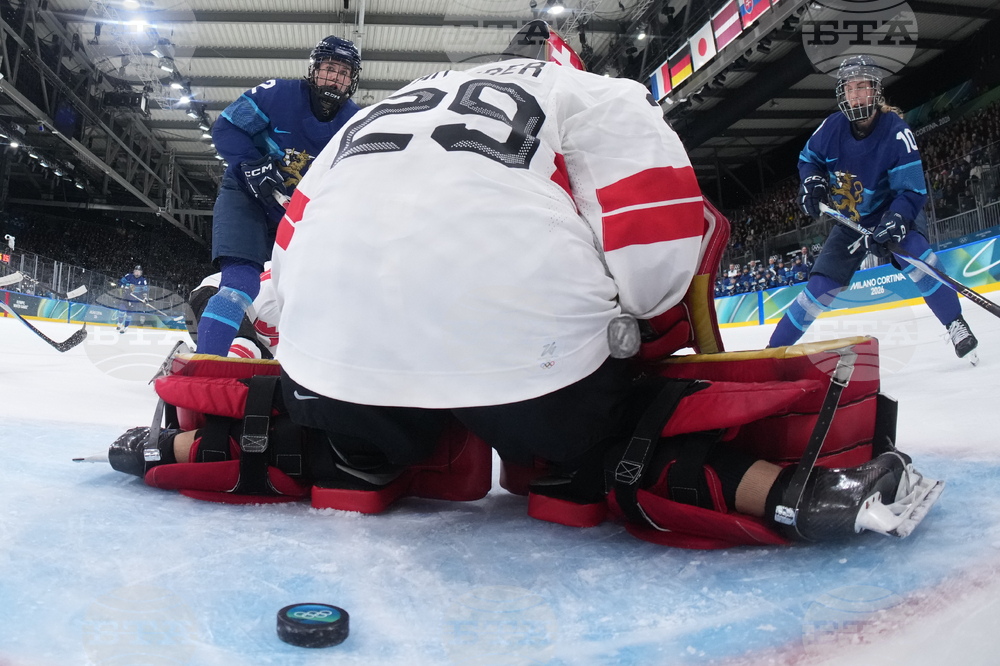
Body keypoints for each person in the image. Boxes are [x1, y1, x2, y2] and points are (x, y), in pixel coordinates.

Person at [105, 23, 940, 547]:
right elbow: (658, 258)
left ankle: (264, 452)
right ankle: (704, 477)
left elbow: (282, 296)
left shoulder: (373, 112)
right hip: (530, 373)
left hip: (338, 373)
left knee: (345, 415)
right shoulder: (600, 94)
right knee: (593, 418)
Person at [770, 55, 979, 363]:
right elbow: (808, 159)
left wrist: (895, 221)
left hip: (892, 210)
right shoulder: (831, 128)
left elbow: (911, 191)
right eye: (850, 88)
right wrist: (812, 181)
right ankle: (771, 352)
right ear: (843, 94)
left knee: (917, 255)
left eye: (862, 87)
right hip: (850, 220)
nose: (856, 95)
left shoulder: (896, 132)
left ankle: (955, 322)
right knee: (819, 288)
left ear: (875, 91)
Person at [195, 36, 362, 357]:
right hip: (246, 199)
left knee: (316, 293)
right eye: (330, 68)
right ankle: (208, 362)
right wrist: (251, 163)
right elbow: (226, 128)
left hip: (296, 213)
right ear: (314, 70)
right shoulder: (277, 94)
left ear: (351, 79)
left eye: (343, 72)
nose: (335, 78)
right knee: (240, 285)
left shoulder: (355, 123)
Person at [116, 265, 147, 334]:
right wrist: (123, 286)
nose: (137, 273)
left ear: (141, 273)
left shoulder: (143, 280)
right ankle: (120, 323)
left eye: (138, 272)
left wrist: (145, 298)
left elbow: (145, 290)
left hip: (134, 300)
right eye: (136, 271)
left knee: (129, 314)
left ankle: (126, 327)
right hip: (126, 297)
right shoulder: (128, 276)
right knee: (121, 309)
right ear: (134, 271)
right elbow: (121, 282)